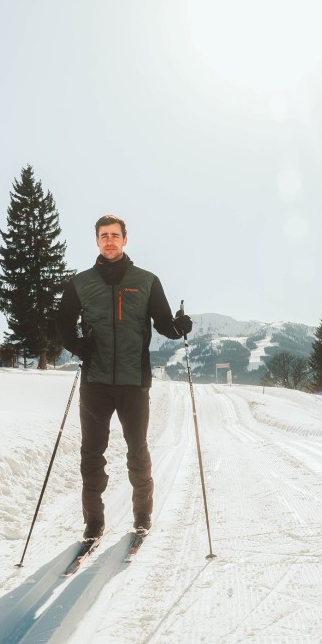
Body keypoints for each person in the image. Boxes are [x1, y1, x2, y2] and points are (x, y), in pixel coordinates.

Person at [57, 214, 193, 540]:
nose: (109, 240)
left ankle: (143, 515)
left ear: (125, 239)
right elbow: (62, 323)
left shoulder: (146, 280)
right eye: (103, 235)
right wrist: (79, 346)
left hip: (134, 381)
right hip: (95, 382)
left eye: (115, 235)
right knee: (91, 453)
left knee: (137, 450)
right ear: (96, 240)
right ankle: (93, 521)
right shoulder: (81, 282)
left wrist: (178, 328)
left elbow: (162, 322)